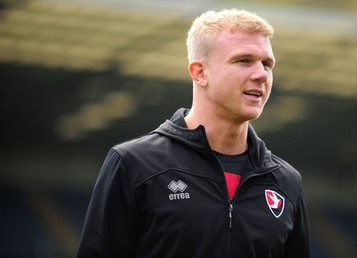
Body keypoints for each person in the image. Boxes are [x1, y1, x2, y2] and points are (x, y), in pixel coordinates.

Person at [77, 8, 310, 258]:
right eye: (244, 60)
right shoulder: (135, 165)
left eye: (267, 64)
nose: (261, 75)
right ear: (200, 73)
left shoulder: (286, 183)